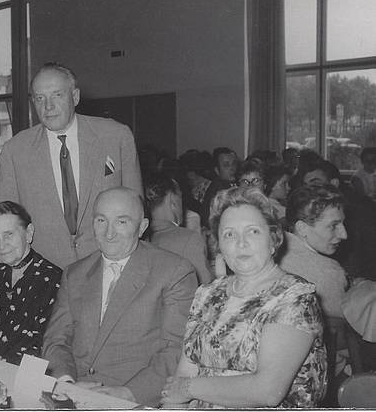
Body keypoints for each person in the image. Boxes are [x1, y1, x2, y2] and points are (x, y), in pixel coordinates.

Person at [161, 187, 327, 408]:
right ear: (219, 245)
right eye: (229, 234)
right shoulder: (208, 294)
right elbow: (184, 373)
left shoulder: (295, 298)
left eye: (253, 232)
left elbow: (267, 391)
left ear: (274, 239)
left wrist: (186, 389)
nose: (241, 243)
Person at [42, 187, 197, 407]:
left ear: (142, 227)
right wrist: (67, 383)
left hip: (133, 400)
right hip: (74, 394)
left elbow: (177, 350)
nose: (109, 233)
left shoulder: (174, 272)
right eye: (101, 221)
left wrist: (127, 394)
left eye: (121, 222)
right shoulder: (74, 273)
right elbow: (56, 340)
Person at [0, 62, 143, 269]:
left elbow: (136, 210)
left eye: (57, 95)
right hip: (44, 273)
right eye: (40, 98)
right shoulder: (15, 150)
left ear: (75, 96)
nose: (48, 106)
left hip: (109, 265)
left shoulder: (116, 136)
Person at [0, 201, 62, 365]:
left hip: (21, 375)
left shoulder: (52, 280)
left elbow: (43, 348)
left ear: (28, 233)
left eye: (8, 235)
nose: (1, 245)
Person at [280, 184, 348, 319]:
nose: (344, 234)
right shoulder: (329, 273)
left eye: (342, 224)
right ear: (302, 228)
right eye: (333, 226)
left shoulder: (271, 250)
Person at [145, 173, 213, 285]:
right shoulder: (189, 239)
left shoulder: (141, 239)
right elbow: (207, 289)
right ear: (173, 201)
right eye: (181, 197)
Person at [201, 147, 237, 225]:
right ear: (217, 170)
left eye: (234, 164)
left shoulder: (235, 184)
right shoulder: (218, 192)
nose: (232, 168)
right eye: (226, 165)